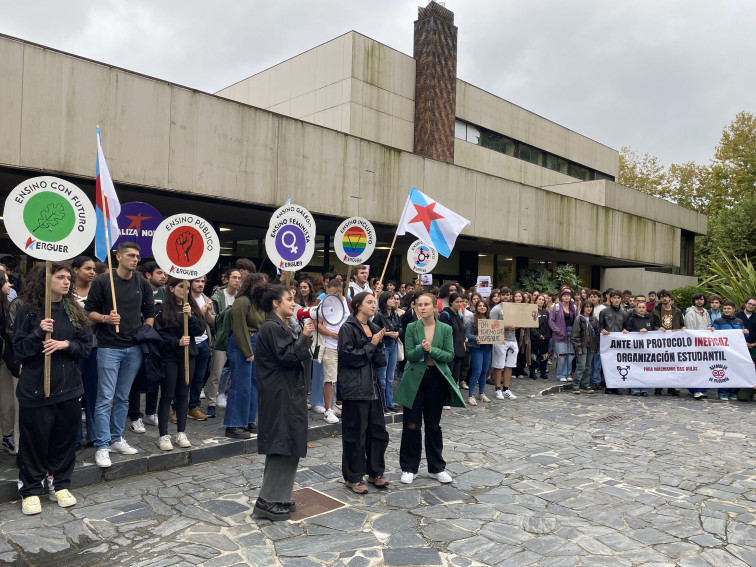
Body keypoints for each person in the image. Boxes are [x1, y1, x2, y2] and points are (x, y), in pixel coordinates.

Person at [13, 262, 93, 514]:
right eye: (60, 277)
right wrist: (38, 333)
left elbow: (85, 347)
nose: (67, 282)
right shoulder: (28, 310)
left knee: (64, 440)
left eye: (68, 277)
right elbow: (19, 351)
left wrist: (65, 344)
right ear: (46, 280)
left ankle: (59, 483)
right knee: (34, 441)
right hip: (35, 389)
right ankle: (30, 488)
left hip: (68, 387)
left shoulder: (74, 310)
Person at [85, 242, 155, 468]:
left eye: (138, 256)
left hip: (133, 347)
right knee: (105, 398)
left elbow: (150, 312)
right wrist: (106, 318)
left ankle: (117, 438)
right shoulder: (102, 281)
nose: (136, 260)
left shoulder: (142, 282)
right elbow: (88, 312)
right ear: (118, 257)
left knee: (123, 397)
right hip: (108, 346)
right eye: (131, 256)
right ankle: (102, 445)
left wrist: (146, 331)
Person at [252, 284, 315, 521]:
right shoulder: (272, 326)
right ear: (275, 304)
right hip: (281, 394)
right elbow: (288, 357)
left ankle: (278, 495)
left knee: (287, 443)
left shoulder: (280, 326)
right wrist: (305, 337)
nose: (293, 303)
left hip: (284, 392)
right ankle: (269, 500)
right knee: (283, 444)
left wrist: (303, 338)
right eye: (288, 299)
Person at [394, 293, 465, 485]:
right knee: (411, 424)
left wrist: (431, 350)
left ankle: (436, 468)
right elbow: (409, 354)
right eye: (419, 304)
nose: (422, 307)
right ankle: (409, 467)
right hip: (414, 379)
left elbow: (450, 355)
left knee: (433, 424)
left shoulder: (445, 329)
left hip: (436, 379)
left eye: (426, 304)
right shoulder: (410, 327)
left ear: (435, 307)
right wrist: (421, 349)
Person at [338, 291, 390, 494]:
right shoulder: (347, 328)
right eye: (369, 302)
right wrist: (372, 345)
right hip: (355, 389)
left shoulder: (376, 327)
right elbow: (350, 358)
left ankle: (375, 472)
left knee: (378, 432)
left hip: (373, 387)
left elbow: (380, 360)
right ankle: (353, 477)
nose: (373, 305)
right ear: (358, 305)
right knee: (355, 434)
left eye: (374, 302)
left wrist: (378, 346)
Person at [152, 278, 205, 450]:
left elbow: (200, 330)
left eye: (188, 288)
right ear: (172, 288)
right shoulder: (161, 309)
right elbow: (157, 334)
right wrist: (176, 342)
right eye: (182, 286)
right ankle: (163, 435)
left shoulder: (191, 307)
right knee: (167, 394)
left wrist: (190, 317)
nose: (186, 290)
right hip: (169, 357)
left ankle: (181, 432)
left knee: (184, 394)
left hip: (188, 356)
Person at [224, 273, 266, 438]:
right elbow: (239, 327)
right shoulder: (242, 302)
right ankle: (233, 424)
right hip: (242, 346)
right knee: (240, 386)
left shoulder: (257, 304)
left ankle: (248, 420)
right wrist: (247, 351)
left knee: (253, 385)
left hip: (255, 344)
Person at [205, 268, 242, 417]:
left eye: (239, 278)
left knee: (236, 372)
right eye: (234, 277)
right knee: (217, 372)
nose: (237, 281)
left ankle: (233, 400)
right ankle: (211, 404)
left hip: (237, 337)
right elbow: (213, 320)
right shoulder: (217, 297)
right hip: (221, 337)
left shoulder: (242, 297)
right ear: (226, 279)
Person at [70, 256, 98, 446]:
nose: (92, 272)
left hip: (95, 345)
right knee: (74, 392)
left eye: (94, 269)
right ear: (75, 270)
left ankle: (94, 433)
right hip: (72, 348)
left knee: (93, 391)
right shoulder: (66, 292)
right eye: (87, 268)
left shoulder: (98, 291)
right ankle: (76, 435)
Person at [316, 279, 350, 425]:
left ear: (339, 291)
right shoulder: (324, 303)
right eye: (326, 293)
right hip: (330, 345)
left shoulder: (347, 303)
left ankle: (338, 404)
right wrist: (330, 333)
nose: (327, 297)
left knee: (342, 377)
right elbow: (316, 324)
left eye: (330, 294)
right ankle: (328, 410)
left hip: (344, 345)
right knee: (329, 378)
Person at [186, 276, 214, 421]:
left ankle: (193, 406)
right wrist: (202, 310)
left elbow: (212, 322)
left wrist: (207, 311)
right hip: (189, 342)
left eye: (203, 281)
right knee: (184, 377)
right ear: (190, 283)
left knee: (199, 377)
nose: (200, 284)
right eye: (197, 281)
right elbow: (190, 321)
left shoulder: (206, 298)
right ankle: (178, 407)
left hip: (203, 341)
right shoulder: (185, 298)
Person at [713, 301, 749, 401]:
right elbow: (714, 336)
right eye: (724, 309)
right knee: (724, 370)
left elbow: (743, 338)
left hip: (736, 351)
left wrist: (746, 333)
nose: (726, 310)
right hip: (723, 351)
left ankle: (731, 392)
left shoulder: (739, 322)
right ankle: (722, 392)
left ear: (734, 309)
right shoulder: (717, 321)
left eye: (728, 309)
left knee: (735, 371)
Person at [651, 289, 684, 396]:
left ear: (670, 298)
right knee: (660, 364)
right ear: (659, 299)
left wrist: (683, 328)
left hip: (674, 341)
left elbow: (682, 324)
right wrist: (657, 328)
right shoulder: (655, 311)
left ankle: (671, 386)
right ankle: (658, 386)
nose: (664, 298)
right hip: (660, 341)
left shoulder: (677, 311)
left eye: (666, 296)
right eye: (662, 297)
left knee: (673, 364)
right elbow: (652, 325)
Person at [372, 291, 401, 413]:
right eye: (391, 298)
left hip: (393, 345)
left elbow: (400, 327)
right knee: (382, 377)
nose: (394, 300)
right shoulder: (379, 315)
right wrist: (388, 333)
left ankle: (389, 403)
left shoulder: (395, 314)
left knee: (390, 377)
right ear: (385, 301)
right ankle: (382, 403)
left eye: (394, 298)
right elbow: (375, 331)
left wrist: (398, 333)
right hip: (383, 346)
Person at [489, 288, 518, 399]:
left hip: (512, 339)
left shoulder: (513, 308)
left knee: (510, 365)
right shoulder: (496, 309)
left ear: (511, 296)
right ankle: (497, 389)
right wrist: (506, 327)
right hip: (500, 339)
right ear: (500, 296)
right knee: (499, 365)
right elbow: (491, 325)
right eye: (503, 295)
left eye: (507, 295)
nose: (505, 297)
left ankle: (506, 388)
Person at [684, 293, 713, 399]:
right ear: (694, 301)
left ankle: (700, 388)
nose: (699, 301)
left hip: (704, 343)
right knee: (694, 366)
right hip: (695, 343)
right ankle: (696, 390)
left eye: (701, 299)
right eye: (697, 300)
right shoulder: (690, 313)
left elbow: (708, 324)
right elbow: (690, 329)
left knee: (702, 367)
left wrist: (710, 329)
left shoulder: (706, 312)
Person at [622, 300, 653, 396]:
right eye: (639, 307)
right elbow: (629, 331)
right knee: (634, 369)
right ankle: (634, 389)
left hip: (646, 350)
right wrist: (638, 331)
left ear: (646, 308)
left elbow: (653, 331)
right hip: (634, 349)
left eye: (643, 307)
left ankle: (645, 389)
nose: (641, 309)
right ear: (636, 308)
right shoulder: (631, 319)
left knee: (645, 369)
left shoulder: (649, 319)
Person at [599, 290, 628, 395]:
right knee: (607, 364)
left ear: (621, 300)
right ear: (610, 299)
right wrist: (602, 330)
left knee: (618, 364)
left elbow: (626, 327)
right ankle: (608, 385)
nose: (616, 300)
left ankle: (616, 386)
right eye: (614, 298)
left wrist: (625, 330)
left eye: (618, 298)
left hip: (619, 343)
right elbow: (600, 326)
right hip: (607, 343)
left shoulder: (624, 313)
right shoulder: (604, 312)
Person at [465, 300, 492, 404]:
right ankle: (471, 395)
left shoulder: (489, 319)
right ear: (476, 308)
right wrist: (476, 338)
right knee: (477, 371)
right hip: (476, 348)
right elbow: (467, 334)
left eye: (484, 306)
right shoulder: (471, 319)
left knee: (484, 371)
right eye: (480, 306)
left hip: (487, 348)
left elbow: (495, 333)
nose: (482, 307)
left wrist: (499, 339)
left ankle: (481, 393)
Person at [0, 271, 15, 453]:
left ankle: (7, 435)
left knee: (7, 401)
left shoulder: (6, 304)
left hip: (4, 358)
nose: (9, 285)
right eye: (5, 281)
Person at [438, 293, 467, 390]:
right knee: (448, 373)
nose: (459, 304)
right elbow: (443, 333)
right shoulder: (445, 315)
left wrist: (463, 342)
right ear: (451, 302)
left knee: (455, 374)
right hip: (449, 349)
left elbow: (462, 331)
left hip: (458, 348)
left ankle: (452, 395)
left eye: (461, 302)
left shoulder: (459, 315)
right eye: (457, 302)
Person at [548, 288, 577, 384]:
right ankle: (561, 374)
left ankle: (568, 374)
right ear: (561, 297)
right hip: (560, 333)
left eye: (568, 295)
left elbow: (577, 320)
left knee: (570, 355)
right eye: (564, 295)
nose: (566, 297)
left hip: (571, 333)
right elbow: (551, 321)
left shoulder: (574, 307)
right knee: (562, 355)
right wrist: (558, 330)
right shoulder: (556, 307)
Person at [529, 294, 551, 380]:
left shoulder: (546, 312)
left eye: (543, 300)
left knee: (544, 356)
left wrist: (546, 335)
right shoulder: (532, 311)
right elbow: (531, 326)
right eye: (539, 299)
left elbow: (549, 325)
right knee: (534, 356)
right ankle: (532, 372)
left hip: (545, 338)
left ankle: (543, 372)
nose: (541, 301)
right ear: (536, 301)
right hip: (535, 338)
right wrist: (538, 335)